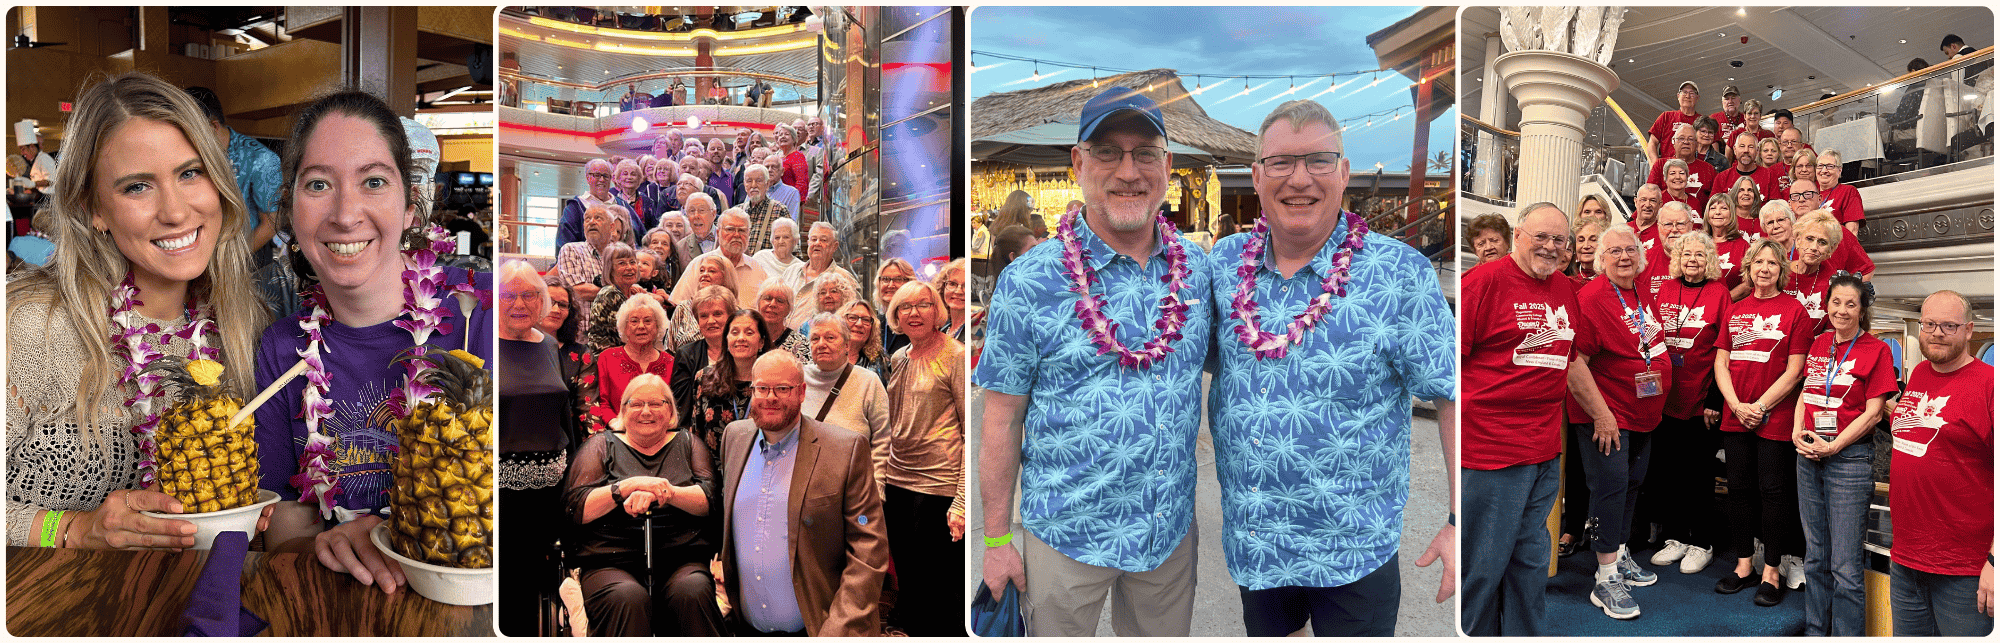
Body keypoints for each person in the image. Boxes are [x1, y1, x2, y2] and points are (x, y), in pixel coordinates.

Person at [1207, 99, 1456, 635]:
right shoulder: (1222, 266)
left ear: (1343, 173)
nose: (1300, 179)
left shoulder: (1400, 273)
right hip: (1258, 541)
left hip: (1355, 548)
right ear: (1256, 176)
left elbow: (1451, 395)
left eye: (1319, 160)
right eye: (1281, 162)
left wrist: (1460, 520)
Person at [974, 87, 1214, 636]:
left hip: (1167, 536)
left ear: (1167, 167)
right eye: (1107, 152)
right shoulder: (1029, 280)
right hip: (1065, 535)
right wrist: (996, 540)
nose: (1128, 171)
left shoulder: (1199, 272)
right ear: (1079, 164)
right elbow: (1001, 417)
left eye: (1145, 153)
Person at [6, 72, 269, 550]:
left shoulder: (245, 326)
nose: (175, 212)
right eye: (137, 187)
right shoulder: (29, 327)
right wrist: (72, 529)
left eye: (190, 173)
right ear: (93, 209)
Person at [255, 89, 493, 593]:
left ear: (410, 206)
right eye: (318, 184)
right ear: (291, 209)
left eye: (374, 182)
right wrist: (329, 545)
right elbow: (285, 532)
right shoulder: (280, 350)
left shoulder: (483, 314)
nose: (346, 214)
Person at [1460, 202, 1577, 636]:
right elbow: (1448, 365)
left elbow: (1570, 359)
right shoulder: (1483, 282)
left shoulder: (1565, 288)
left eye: (1558, 240)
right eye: (1540, 237)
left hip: (1543, 451)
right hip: (1491, 453)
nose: (1549, 247)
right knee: (1483, 565)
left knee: (1530, 563)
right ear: (1518, 235)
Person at [720, 352, 889, 636]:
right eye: (762, 388)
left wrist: (838, 629)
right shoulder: (734, 438)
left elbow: (868, 549)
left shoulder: (845, 451)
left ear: (801, 392)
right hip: (747, 629)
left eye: (782, 388)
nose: (770, 397)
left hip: (821, 629)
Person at [562, 373, 725, 636]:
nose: (646, 411)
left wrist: (666, 492)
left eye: (656, 403)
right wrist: (626, 487)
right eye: (636, 404)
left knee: (692, 591)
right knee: (627, 597)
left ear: (670, 410)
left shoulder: (688, 444)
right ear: (623, 410)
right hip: (610, 561)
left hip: (681, 559)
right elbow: (575, 508)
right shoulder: (600, 445)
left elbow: (710, 500)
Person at [1563, 223, 1669, 620]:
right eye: (1615, 251)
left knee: (1631, 484)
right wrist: (1602, 416)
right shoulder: (1592, 298)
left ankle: (1620, 554)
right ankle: (1605, 577)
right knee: (1610, 488)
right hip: (1607, 415)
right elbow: (1575, 364)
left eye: (1630, 250)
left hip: (1640, 412)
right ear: (1600, 258)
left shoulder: (1639, 290)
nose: (1624, 257)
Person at [1791, 274, 1898, 636]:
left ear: (1862, 310)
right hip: (1808, 456)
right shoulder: (1819, 343)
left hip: (1848, 460)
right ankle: (1815, 631)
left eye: (1851, 304)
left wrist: (1834, 446)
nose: (1842, 310)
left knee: (1846, 567)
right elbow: (1806, 392)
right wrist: (1796, 432)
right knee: (1815, 557)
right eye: (1836, 302)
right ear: (1827, 305)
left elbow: (1873, 413)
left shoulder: (1877, 350)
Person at [1887, 289, 1994, 636]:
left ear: (1969, 330)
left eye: (1949, 326)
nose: (1937, 333)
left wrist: (1995, 562)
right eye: (1929, 324)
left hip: (1965, 569)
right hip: (1906, 559)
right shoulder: (1919, 373)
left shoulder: (1989, 385)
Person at [1712, 237, 1811, 605]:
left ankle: (1771, 570)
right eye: (1758, 262)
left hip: (1776, 417)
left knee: (1773, 493)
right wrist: (1737, 405)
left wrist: (1760, 406)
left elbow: (1795, 370)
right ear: (1748, 268)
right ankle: (1743, 565)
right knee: (1738, 490)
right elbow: (1721, 362)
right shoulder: (1735, 309)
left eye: (1771, 263)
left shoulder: (1795, 311)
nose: (1764, 268)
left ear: (1781, 269)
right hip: (1736, 414)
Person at [1639, 231, 1730, 576]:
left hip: (1701, 400)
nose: (1692, 260)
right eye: (1687, 254)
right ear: (1677, 258)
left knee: (1698, 474)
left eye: (1700, 254)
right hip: (1665, 398)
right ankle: (1675, 537)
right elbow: (1649, 337)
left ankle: (1702, 542)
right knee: (1669, 472)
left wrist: (1715, 401)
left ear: (1710, 260)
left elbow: (1725, 350)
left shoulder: (1719, 293)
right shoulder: (1664, 289)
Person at [881, 279, 967, 636]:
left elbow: (971, 430)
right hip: (898, 480)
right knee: (909, 574)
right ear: (895, 315)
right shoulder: (899, 357)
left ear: (937, 311)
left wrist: (962, 501)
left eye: (923, 305)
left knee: (940, 584)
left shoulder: (956, 355)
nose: (914, 313)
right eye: (905, 306)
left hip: (938, 485)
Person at [496, 260, 573, 636]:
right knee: (510, 583)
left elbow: (564, 415)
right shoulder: (484, 346)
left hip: (551, 492)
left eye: (529, 294)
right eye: (508, 295)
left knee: (540, 581)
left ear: (541, 301)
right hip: (501, 496)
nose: (519, 303)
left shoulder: (549, 346)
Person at [183, 86, 281, 269]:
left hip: (248, 260)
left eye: (193, 131)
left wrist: (228, 262)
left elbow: (272, 223)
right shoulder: (192, 157)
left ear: (213, 127)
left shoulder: (261, 159)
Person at [800, 313, 891, 489]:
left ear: (847, 345)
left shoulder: (868, 381)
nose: (821, 344)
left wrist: (877, 484)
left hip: (855, 485)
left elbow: (884, 438)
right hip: (806, 485)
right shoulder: (797, 379)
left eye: (830, 338)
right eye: (815, 339)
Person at [688, 309, 765, 474]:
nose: (741, 338)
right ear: (726, 340)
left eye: (749, 332)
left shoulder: (771, 382)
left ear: (761, 342)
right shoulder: (705, 377)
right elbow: (696, 434)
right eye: (735, 332)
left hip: (761, 474)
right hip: (714, 476)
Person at [587, 292, 674, 433]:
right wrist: (617, 425)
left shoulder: (670, 362)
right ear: (625, 327)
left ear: (657, 326)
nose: (641, 326)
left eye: (648, 321)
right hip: (617, 433)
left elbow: (673, 407)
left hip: (661, 434)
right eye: (634, 321)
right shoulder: (607, 358)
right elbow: (602, 402)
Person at [671, 207, 767, 305]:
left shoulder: (756, 268)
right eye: (730, 229)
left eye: (742, 230)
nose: (737, 235)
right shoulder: (699, 264)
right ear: (718, 233)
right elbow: (677, 303)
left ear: (749, 234)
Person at [581, 241, 649, 352]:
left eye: (632, 262)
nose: (629, 267)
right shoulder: (610, 294)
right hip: (609, 356)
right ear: (610, 269)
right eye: (622, 263)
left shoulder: (631, 294)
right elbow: (629, 335)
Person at [667, 256, 740, 351]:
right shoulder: (684, 308)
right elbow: (669, 347)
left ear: (725, 277)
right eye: (702, 270)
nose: (704, 274)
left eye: (712, 271)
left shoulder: (735, 311)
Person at [557, 158, 632, 248]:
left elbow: (638, 236)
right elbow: (565, 245)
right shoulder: (575, 208)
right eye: (597, 175)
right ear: (587, 178)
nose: (602, 180)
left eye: (605, 176)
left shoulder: (622, 205)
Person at [778, 221, 857, 306]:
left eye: (823, 240)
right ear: (808, 243)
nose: (817, 243)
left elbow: (855, 310)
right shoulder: (791, 271)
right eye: (814, 239)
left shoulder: (845, 278)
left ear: (834, 246)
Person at [873, 257, 917, 371]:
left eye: (898, 279)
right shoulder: (876, 323)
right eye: (885, 279)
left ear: (910, 283)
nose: (891, 285)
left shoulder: (917, 322)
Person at [1718, 132, 1783, 207]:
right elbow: (1714, 207)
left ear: (1757, 151)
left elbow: (1776, 208)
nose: (1746, 150)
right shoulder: (1722, 177)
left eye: (1751, 147)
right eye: (1742, 146)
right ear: (1735, 150)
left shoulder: (1770, 176)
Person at [738, 163, 791, 258]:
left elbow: (792, 248)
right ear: (745, 185)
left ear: (767, 184)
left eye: (758, 181)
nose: (753, 185)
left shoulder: (779, 210)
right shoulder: (737, 212)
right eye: (749, 181)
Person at [753, 281, 811, 360]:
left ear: (789, 309)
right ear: (758, 303)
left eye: (780, 300)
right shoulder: (747, 336)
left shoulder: (800, 344)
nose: (772, 304)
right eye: (768, 298)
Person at [1647, 81, 1703, 161]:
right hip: (1668, 166)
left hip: (1693, 166)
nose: (1688, 96)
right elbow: (1652, 143)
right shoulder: (1666, 117)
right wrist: (1655, 164)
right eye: (1684, 92)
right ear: (1678, 96)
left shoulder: (1702, 121)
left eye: (1692, 93)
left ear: (1697, 98)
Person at [1815, 150, 1864, 235]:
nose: (1824, 170)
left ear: (1839, 170)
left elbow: (1852, 232)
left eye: (1830, 166)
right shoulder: (1810, 193)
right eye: (1820, 166)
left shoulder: (1848, 191)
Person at [670, 189, 719, 271]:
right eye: (692, 211)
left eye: (701, 210)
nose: (696, 216)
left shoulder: (728, 238)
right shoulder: (680, 247)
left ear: (713, 214)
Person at [844, 300, 889, 374]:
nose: (859, 324)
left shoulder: (881, 359)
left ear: (872, 328)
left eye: (866, 320)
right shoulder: (827, 353)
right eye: (852, 318)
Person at [1568, 213, 1607, 289]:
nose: (1586, 246)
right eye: (1581, 240)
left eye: (1593, 240)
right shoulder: (1566, 275)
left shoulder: (1612, 277)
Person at [934, 257, 968, 342]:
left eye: (966, 285)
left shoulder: (975, 330)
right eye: (952, 284)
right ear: (942, 288)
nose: (958, 291)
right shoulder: (942, 329)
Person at [775, 123, 809, 198]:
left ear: (794, 139)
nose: (783, 136)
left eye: (786, 134)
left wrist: (794, 199)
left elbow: (802, 183)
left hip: (790, 199)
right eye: (780, 135)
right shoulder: (778, 157)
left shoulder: (797, 156)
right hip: (777, 198)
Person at [1632, 183, 1663, 251]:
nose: (1647, 205)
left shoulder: (1663, 233)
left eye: (1653, 201)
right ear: (1636, 202)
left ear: (1660, 204)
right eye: (1643, 200)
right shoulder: (1623, 230)